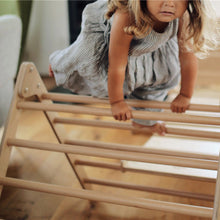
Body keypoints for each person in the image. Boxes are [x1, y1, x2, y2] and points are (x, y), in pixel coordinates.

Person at [49, 0, 219, 135]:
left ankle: (143, 122)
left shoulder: (183, 17)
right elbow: (117, 64)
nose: (169, 3)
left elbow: (188, 58)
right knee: (87, 57)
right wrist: (117, 102)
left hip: (148, 47)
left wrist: (185, 94)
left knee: (164, 73)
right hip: (105, 35)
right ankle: (59, 64)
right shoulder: (126, 15)